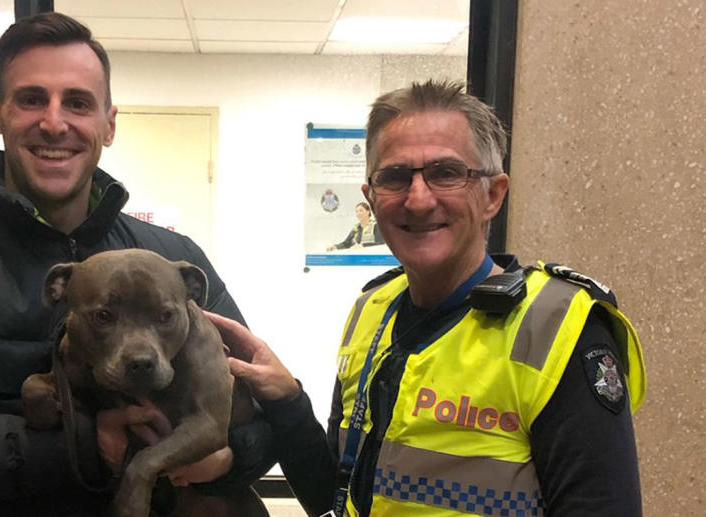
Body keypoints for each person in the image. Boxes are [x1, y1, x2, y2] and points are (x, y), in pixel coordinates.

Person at [0, 13, 272, 517]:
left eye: (78, 103)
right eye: (32, 99)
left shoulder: (169, 259)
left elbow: (255, 414)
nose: (55, 122)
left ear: (109, 123)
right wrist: (81, 447)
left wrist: (230, 459)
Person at [211, 80, 647, 517]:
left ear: (492, 195)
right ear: (371, 198)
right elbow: (335, 497)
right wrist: (286, 401)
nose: (418, 200)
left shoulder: (557, 329)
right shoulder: (372, 311)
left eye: (446, 173)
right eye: (395, 178)